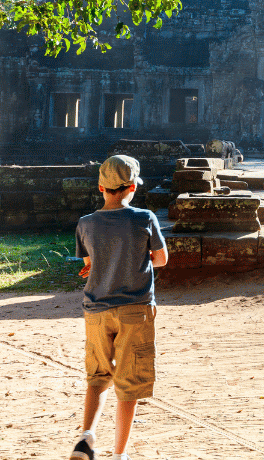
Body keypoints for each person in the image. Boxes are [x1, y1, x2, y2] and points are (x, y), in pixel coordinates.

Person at [69, 155, 167, 460]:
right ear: (133, 188)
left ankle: (86, 437)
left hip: (96, 310)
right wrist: (140, 257)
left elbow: (90, 264)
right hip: (135, 309)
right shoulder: (144, 218)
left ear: (101, 187)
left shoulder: (85, 223)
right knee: (129, 385)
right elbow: (161, 259)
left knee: (97, 378)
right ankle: (120, 454)